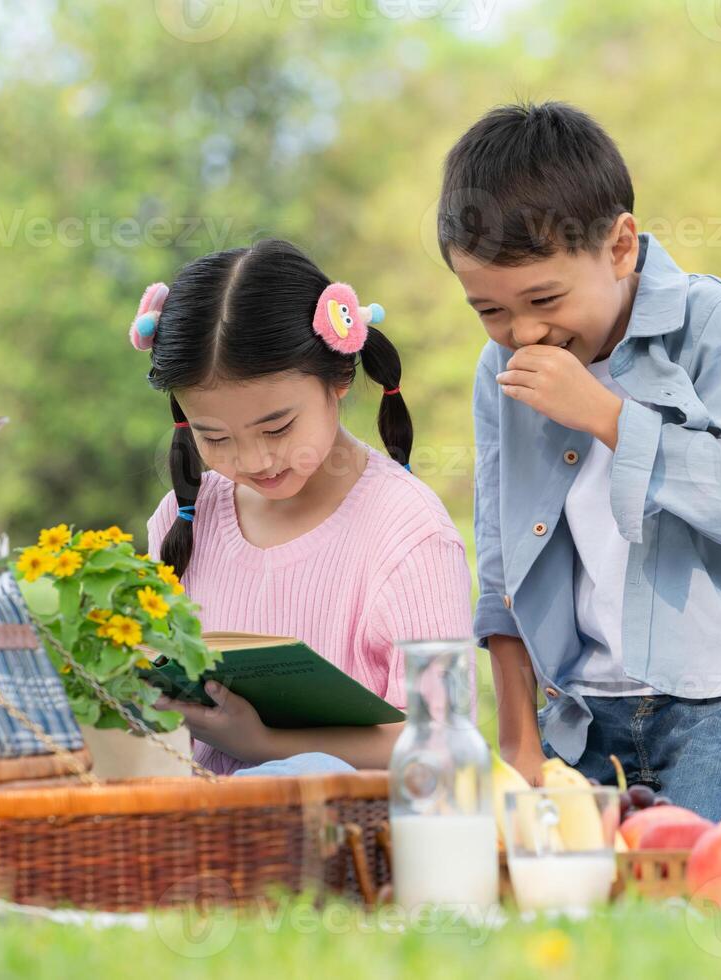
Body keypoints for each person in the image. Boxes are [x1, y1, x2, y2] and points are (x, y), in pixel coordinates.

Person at [441, 102, 721, 821]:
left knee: (698, 884)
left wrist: (606, 415)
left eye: (544, 297)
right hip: (587, 713)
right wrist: (518, 740)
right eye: (490, 311)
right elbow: (501, 564)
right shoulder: (501, 370)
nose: (523, 331)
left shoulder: (708, 322)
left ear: (620, 247)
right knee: (545, 886)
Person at [131, 238, 472, 774]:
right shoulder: (184, 517)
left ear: (339, 377)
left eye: (278, 427)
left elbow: (445, 744)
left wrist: (263, 745)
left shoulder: (408, 533)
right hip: (197, 840)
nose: (255, 459)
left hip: (348, 843)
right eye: (215, 437)